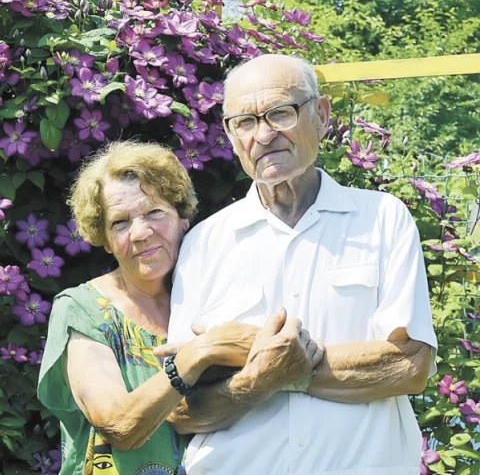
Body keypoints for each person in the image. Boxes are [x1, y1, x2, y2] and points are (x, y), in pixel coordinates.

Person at [161, 54, 438, 475]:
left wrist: (261, 361)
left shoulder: (383, 218)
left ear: (321, 115)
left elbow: (408, 365)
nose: (264, 135)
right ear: (231, 136)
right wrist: (262, 375)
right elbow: (182, 409)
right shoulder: (204, 243)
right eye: (245, 122)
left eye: (280, 113)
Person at [37, 141, 286, 474]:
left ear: (183, 217)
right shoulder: (82, 310)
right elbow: (118, 425)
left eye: (154, 213)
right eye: (120, 223)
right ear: (105, 239)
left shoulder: (213, 297)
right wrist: (198, 354)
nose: (140, 233)